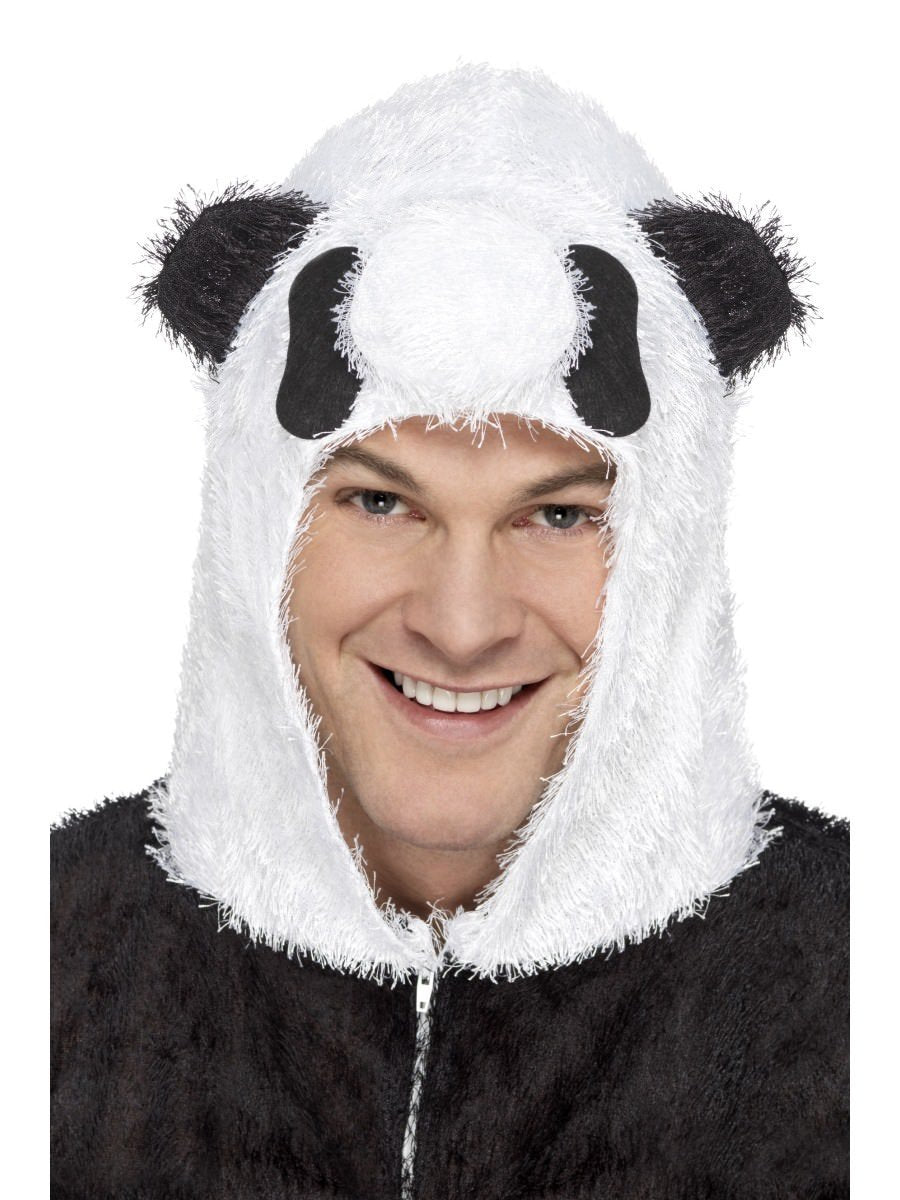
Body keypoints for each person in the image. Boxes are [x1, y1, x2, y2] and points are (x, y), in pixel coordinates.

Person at [50, 64, 849, 1199]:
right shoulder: (49, 952)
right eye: (380, 501)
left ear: (670, 548)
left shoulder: (859, 974)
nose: (462, 627)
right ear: (256, 525)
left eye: (559, 515)